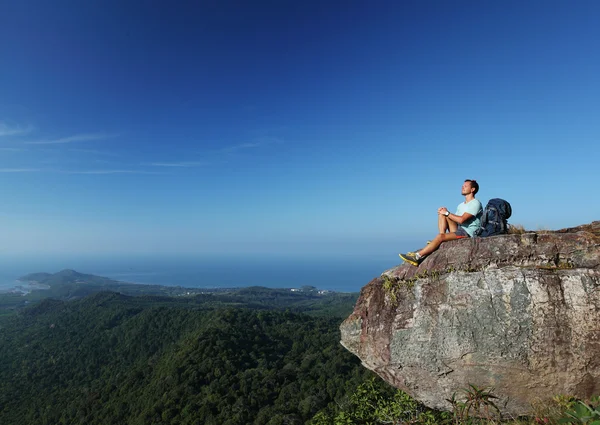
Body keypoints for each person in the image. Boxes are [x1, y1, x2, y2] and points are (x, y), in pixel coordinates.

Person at [399, 179, 482, 266]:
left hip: (467, 233)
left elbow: (461, 220)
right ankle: (442, 238)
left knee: (443, 226)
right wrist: (444, 212)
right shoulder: (461, 205)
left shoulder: (475, 203)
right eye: (462, 186)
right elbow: (455, 219)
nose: (462, 187)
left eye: (465, 186)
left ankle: (417, 257)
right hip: (459, 229)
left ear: (472, 189)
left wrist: (447, 213)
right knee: (443, 214)